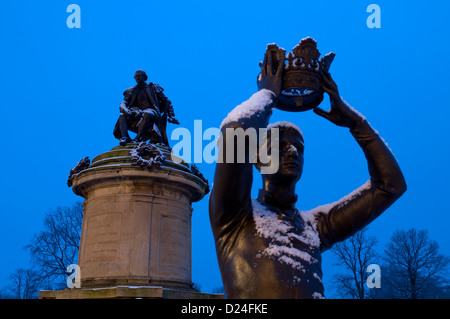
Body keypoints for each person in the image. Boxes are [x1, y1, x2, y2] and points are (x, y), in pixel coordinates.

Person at [209, 49, 407, 298]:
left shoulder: (316, 226)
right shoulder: (234, 215)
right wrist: (268, 95)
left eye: (299, 147)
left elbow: (390, 185)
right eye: (279, 146)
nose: (292, 151)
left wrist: (356, 124)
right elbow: (235, 133)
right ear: (257, 160)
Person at [113, 70, 179, 146]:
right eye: (136, 76)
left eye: (139, 75)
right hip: (137, 113)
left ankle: (137, 138)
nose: (137, 77)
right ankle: (124, 138)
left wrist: (172, 116)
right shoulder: (131, 90)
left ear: (145, 77)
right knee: (122, 115)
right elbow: (123, 103)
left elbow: (166, 100)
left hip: (151, 112)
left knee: (148, 113)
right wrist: (125, 110)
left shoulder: (153, 87)